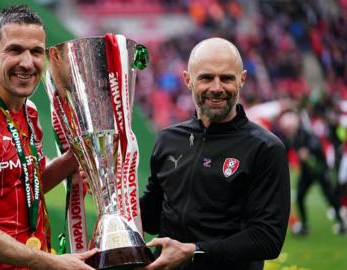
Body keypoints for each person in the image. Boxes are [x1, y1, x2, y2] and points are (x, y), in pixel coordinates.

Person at [0, 5, 96, 270]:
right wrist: (51, 263)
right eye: (15, 50)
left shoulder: (28, 111)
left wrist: (78, 155)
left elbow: (24, 184)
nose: (27, 62)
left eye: (35, 52)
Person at [139, 37, 291, 270]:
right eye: (207, 77)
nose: (217, 88)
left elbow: (267, 239)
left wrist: (193, 252)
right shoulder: (168, 139)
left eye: (227, 78)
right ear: (188, 80)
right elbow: (150, 217)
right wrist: (109, 192)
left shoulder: (266, 148)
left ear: (242, 80)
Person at [277, 111, 345, 235]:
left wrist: (308, 150)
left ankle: (341, 222)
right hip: (307, 172)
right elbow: (285, 149)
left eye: (289, 127)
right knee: (300, 196)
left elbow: (316, 145)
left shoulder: (304, 133)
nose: (288, 130)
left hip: (319, 170)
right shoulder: (290, 136)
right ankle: (304, 225)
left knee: (329, 196)